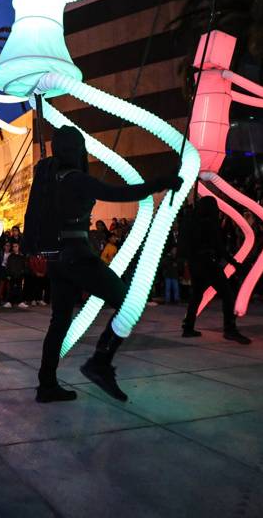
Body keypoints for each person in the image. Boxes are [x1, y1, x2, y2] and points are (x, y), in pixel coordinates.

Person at [29, 125, 182, 404]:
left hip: (57, 259)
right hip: (76, 256)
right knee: (128, 303)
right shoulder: (75, 179)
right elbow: (119, 193)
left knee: (59, 323)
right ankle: (100, 362)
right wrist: (161, 183)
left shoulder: (49, 177)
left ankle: (47, 384)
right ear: (77, 150)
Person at [180, 196, 251, 344]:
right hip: (208, 263)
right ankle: (230, 329)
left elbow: (185, 245)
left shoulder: (190, 221)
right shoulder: (209, 223)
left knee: (197, 295)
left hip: (196, 264)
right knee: (227, 294)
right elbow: (219, 246)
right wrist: (234, 263)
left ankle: (188, 327)